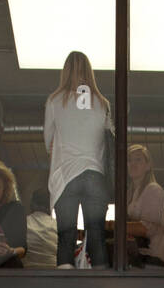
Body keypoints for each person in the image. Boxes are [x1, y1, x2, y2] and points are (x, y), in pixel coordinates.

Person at [44, 51, 113, 268]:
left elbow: (48, 142)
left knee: (66, 236)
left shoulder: (54, 101)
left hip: (67, 177)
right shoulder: (103, 104)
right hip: (95, 176)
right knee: (97, 237)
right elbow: (112, 137)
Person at [126, 144, 164, 267]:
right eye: (129, 160)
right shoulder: (128, 194)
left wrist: (115, 227)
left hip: (152, 259)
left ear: (148, 165)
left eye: (138, 159)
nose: (133, 164)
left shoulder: (153, 190)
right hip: (137, 259)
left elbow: (146, 228)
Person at [24, 188, 58, 268]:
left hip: (27, 273)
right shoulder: (57, 225)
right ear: (50, 205)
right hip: (54, 273)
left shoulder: (23, 223)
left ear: (32, 204)